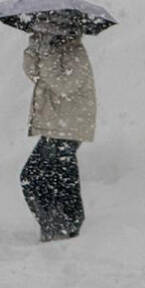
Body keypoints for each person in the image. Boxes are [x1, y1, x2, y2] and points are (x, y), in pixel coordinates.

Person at [20, 17, 97, 241]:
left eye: (47, 27)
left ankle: (65, 225)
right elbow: (35, 74)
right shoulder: (53, 50)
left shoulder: (75, 53)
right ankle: (57, 225)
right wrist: (33, 49)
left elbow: (64, 85)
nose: (43, 30)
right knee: (50, 176)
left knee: (38, 175)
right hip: (56, 125)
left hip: (69, 126)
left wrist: (46, 55)